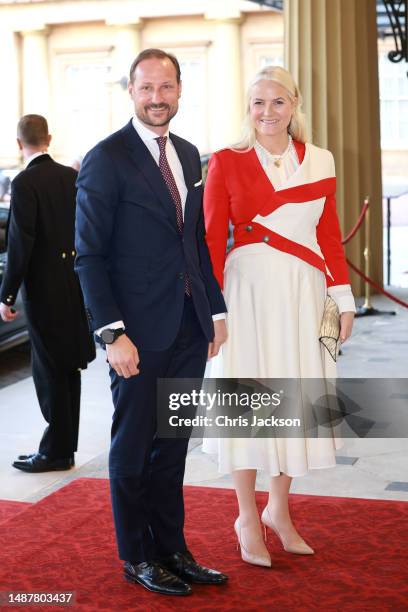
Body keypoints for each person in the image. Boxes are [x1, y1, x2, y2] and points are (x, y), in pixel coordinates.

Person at [75, 48, 228, 597]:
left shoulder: (188, 154)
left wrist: (215, 309)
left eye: (167, 88)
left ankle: (173, 549)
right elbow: (89, 254)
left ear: (180, 90)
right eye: (147, 89)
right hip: (135, 336)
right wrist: (112, 333)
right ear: (132, 92)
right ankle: (137, 556)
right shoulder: (106, 158)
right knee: (134, 447)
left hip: (188, 328)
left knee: (173, 445)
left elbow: (196, 240)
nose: (157, 98)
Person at [203, 66, 356, 567]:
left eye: (278, 102)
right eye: (258, 103)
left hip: (306, 291)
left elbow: (329, 236)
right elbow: (209, 240)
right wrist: (213, 310)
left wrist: (344, 301)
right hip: (247, 293)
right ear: (247, 109)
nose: (267, 113)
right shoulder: (226, 161)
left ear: (295, 105)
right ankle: (246, 515)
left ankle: (279, 511)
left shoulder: (322, 161)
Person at [0, 114, 96, 473]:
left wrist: (6, 296)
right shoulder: (71, 176)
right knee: (69, 366)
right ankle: (63, 447)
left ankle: (55, 452)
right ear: (49, 138)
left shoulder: (24, 182)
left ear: (17, 143)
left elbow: (20, 242)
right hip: (73, 283)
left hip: (43, 289)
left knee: (49, 370)